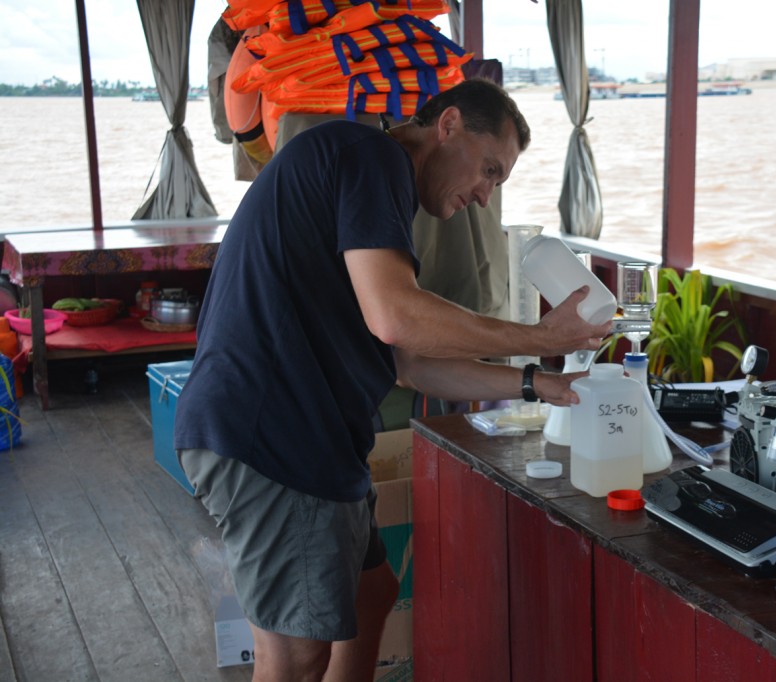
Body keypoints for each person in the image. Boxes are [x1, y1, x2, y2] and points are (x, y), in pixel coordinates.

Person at [174, 77, 611, 682]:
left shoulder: (373, 187)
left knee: (372, 593)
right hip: (270, 433)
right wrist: (539, 336)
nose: (485, 196)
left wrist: (538, 382)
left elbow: (408, 357)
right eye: (489, 170)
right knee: (295, 657)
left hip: (314, 438)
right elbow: (396, 315)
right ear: (449, 124)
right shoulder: (369, 156)